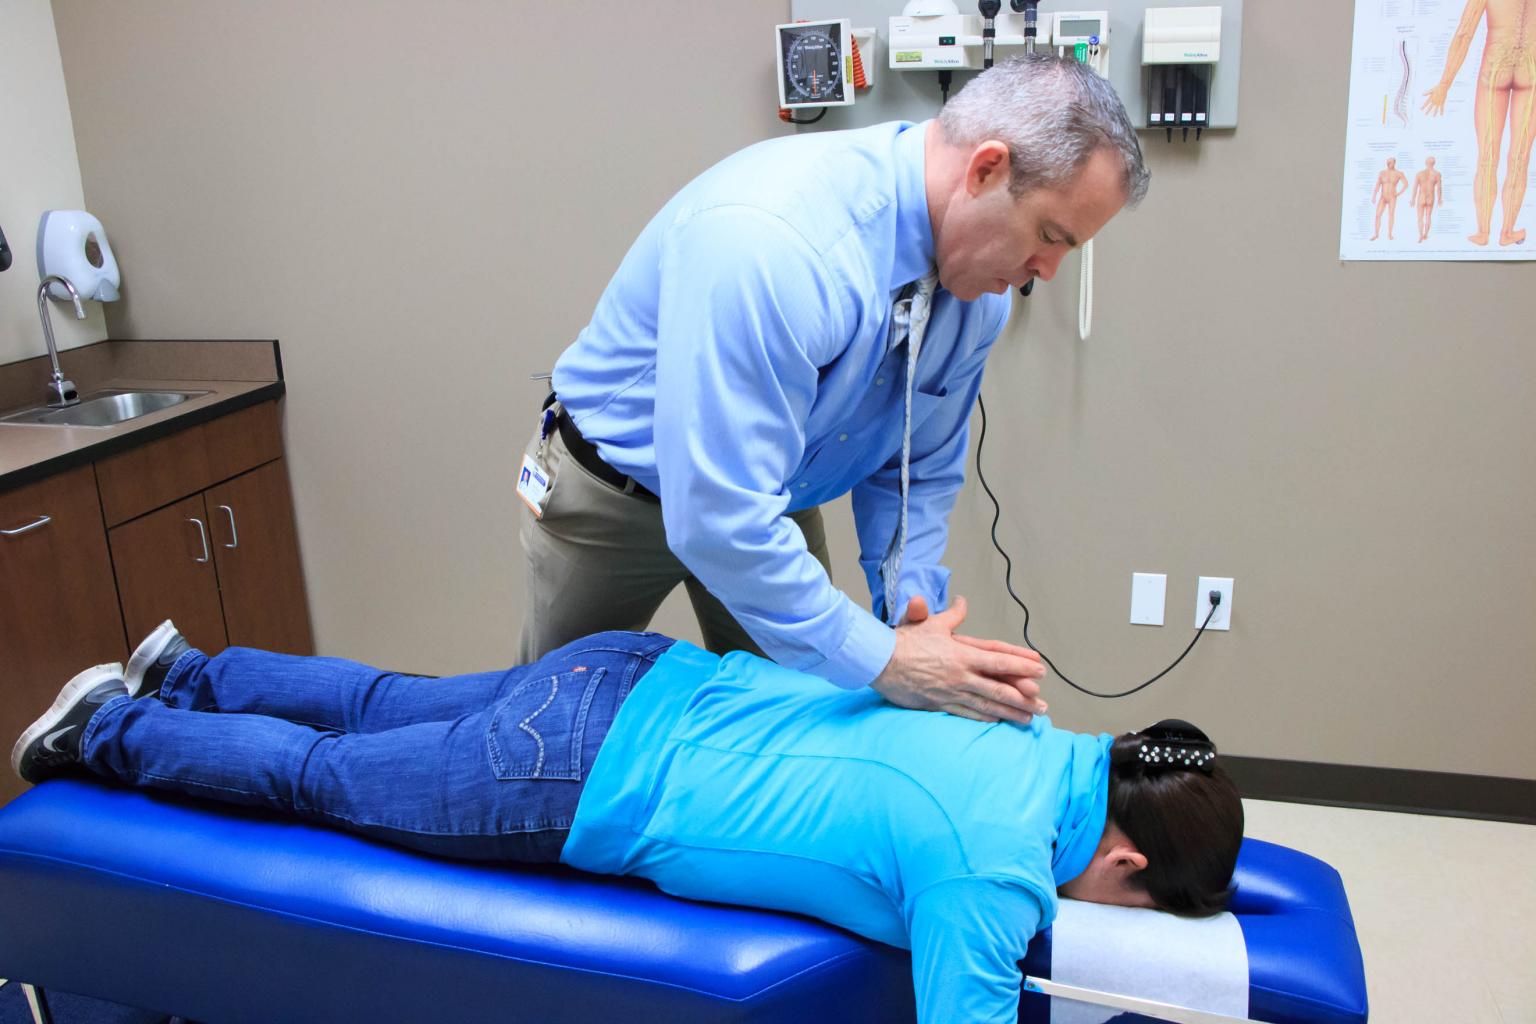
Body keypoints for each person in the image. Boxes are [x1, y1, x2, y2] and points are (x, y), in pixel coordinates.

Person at [15, 621, 1243, 1024]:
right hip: (583, 774)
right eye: (1132, 898)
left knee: (392, 700)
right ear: (1125, 857)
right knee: (328, 782)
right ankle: (104, 733)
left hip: (637, 669)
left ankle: (189, 667)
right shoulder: (997, 872)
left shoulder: (1029, 718)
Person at [521, 54, 1150, 726]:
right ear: (987, 169)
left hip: (775, 498)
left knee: (796, 733)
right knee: (546, 731)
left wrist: (910, 612)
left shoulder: (977, 298)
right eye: (1051, 236)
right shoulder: (777, 244)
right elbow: (718, 522)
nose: (1047, 272)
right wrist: (891, 661)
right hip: (614, 494)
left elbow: (918, 469)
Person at [1421, 0, 1533, 246]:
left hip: (1495, 72)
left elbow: (1464, 32)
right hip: (1530, 72)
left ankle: (1484, 232)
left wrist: (1445, 84)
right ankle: (1506, 231)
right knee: (1519, 158)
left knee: (1488, 157)